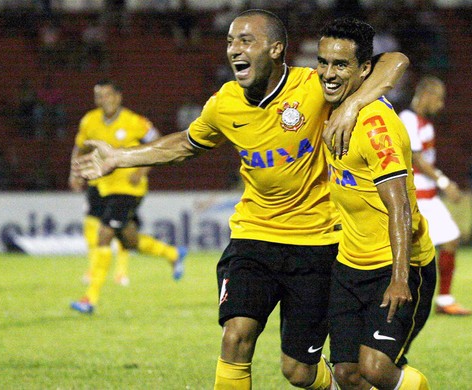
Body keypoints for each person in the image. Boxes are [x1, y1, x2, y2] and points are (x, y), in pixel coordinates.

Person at [73, 9, 408, 389]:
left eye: (246, 40)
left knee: (297, 372)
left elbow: (395, 61)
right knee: (235, 336)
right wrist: (119, 158)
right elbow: (186, 143)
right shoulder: (225, 103)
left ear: (277, 49)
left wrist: (353, 104)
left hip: (316, 245)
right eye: (231, 41)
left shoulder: (313, 85)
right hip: (254, 239)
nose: (235, 49)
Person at [319, 17, 435, 389]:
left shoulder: (375, 126)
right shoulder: (324, 100)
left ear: (364, 69)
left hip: (398, 266)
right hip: (350, 265)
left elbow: (399, 206)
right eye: (323, 62)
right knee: (347, 374)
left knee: (377, 369)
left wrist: (401, 279)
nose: (328, 73)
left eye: (340, 65)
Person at [69, 79, 188, 315]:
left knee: (104, 236)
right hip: (101, 186)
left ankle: (89, 298)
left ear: (118, 97)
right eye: (99, 96)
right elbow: (80, 147)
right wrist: (75, 172)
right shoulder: (89, 120)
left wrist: (143, 169)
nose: (103, 100)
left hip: (128, 190)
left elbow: (159, 143)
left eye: (107, 95)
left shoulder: (135, 122)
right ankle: (172, 253)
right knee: (128, 240)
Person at [399, 76, 472, 316]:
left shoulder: (423, 123)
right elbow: (416, 158)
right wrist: (443, 181)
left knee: (450, 239)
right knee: (403, 252)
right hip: (415, 196)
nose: (441, 105)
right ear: (427, 95)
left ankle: (444, 299)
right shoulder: (408, 119)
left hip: (429, 197)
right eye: (439, 99)